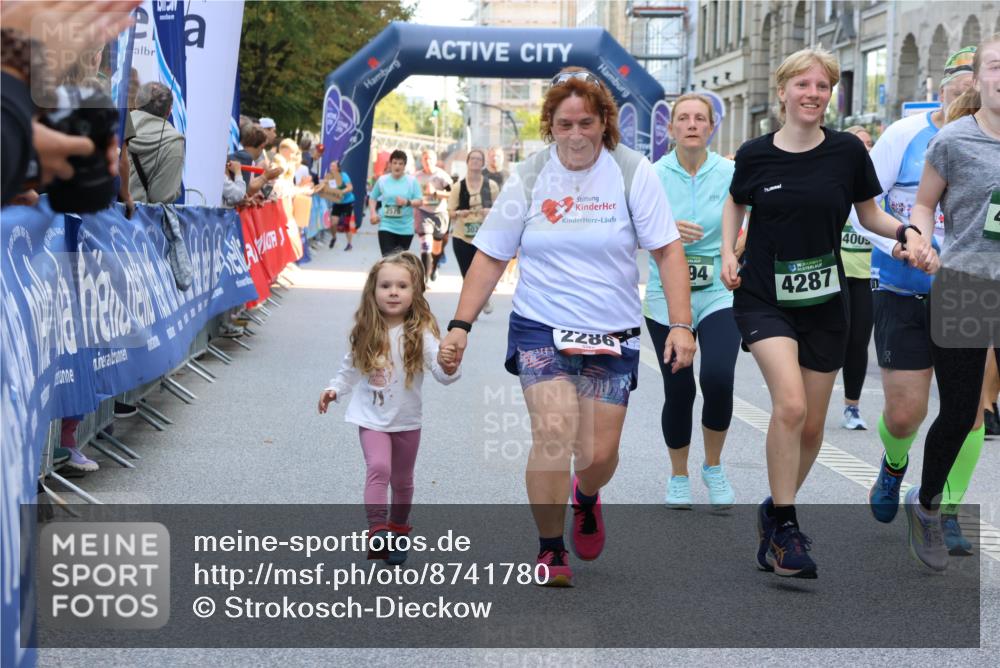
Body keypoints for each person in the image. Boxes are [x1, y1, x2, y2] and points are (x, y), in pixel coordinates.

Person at [439, 67, 696, 587]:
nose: (575, 135)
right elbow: (490, 255)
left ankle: (586, 494)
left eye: (585, 123)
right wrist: (460, 324)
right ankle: (550, 548)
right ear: (549, 127)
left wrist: (680, 325)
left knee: (597, 456)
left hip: (612, 330)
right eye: (563, 125)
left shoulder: (631, 171)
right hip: (542, 326)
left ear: (604, 122)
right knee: (553, 432)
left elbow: (668, 251)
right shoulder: (531, 176)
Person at [721, 47, 937, 579]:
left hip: (824, 300)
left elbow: (870, 214)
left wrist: (907, 233)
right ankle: (789, 529)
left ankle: (773, 513)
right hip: (764, 296)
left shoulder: (845, 152)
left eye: (823, 86)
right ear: (783, 91)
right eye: (803, 85)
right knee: (790, 406)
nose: (813, 94)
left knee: (813, 425)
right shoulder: (754, 153)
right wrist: (730, 250)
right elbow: (735, 202)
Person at [858, 46, 987, 556]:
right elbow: (859, 207)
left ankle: (943, 506)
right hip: (902, 288)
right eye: (961, 85)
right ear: (943, 88)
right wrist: (899, 242)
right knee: (907, 413)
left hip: (971, 294)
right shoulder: (904, 137)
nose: (968, 94)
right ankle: (894, 468)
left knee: (972, 410)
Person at [902, 34, 1000, 571]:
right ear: (979, 77)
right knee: (962, 411)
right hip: (966, 284)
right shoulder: (955, 141)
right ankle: (928, 504)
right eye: (995, 66)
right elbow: (922, 204)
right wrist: (917, 237)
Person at [318, 252, 459, 565]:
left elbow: (440, 373)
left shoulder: (421, 333)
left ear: (415, 293)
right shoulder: (366, 331)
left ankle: (397, 532)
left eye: (402, 286)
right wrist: (334, 389)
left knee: (404, 481)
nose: (393, 291)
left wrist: (449, 367)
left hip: (407, 420)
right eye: (385, 286)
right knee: (378, 468)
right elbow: (349, 370)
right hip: (371, 418)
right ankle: (377, 529)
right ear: (373, 292)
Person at [645, 94, 740, 509]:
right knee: (679, 388)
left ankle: (714, 466)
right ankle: (678, 474)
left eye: (700, 118)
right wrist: (664, 232)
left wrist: (736, 246)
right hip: (665, 294)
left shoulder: (732, 172)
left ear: (711, 126)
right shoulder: (653, 175)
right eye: (683, 118)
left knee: (718, 378)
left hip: (718, 289)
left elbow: (751, 217)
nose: (691, 124)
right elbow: (632, 228)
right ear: (670, 128)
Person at [838, 125, 876, 430]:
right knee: (826, 340)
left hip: (866, 276)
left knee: (858, 342)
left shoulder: (879, 185)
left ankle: (852, 406)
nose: (864, 149)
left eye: (868, 143)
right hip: (833, 274)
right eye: (857, 143)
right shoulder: (832, 180)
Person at [447, 148, 500, 314]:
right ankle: (471, 310)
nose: (476, 162)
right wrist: (458, 213)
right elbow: (450, 212)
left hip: (483, 236)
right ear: (467, 162)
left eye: (479, 159)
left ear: (483, 163)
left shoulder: (491, 186)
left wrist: (490, 212)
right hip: (462, 236)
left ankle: (483, 300)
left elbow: (500, 210)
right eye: (473, 159)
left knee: (481, 274)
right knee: (467, 275)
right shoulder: (458, 187)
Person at [128, 82, 185, 204]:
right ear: (169, 111)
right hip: (138, 219)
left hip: (98, 215)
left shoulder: (116, 123)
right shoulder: (173, 141)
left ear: (136, 102)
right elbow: (161, 196)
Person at [369, 149, 423, 257]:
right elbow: (372, 198)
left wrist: (407, 202)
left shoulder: (412, 181)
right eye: (394, 163)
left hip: (405, 228)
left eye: (400, 163)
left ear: (404, 166)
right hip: (386, 226)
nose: (397, 166)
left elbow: (420, 201)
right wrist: (373, 213)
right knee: (388, 259)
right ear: (390, 164)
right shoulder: (382, 180)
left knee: (399, 261)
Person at [414, 149, 453, 281]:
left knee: (437, 247)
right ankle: (424, 278)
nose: (428, 161)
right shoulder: (416, 177)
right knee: (426, 244)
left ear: (435, 161)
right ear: (422, 161)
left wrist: (436, 192)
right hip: (423, 212)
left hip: (439, 213)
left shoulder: (442, 176)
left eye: (430, 158)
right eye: (425, 158)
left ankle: (434, 267)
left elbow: (452, 194)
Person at [323, 160, 356, 250]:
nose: (331, 168)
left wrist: (341, 191)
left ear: (338, 168)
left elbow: (350, 187)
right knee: (333, 223)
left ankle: (349, 244)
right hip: (337, 203)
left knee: (346, 223)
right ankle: (334, 237)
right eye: (330, 166)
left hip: (347, 202)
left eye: (333, 166)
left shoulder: (344, 176)